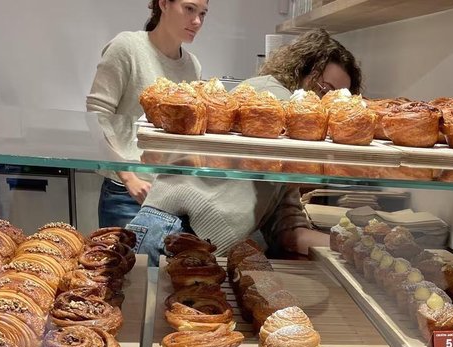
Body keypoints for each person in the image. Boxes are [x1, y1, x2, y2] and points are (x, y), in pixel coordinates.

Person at [127, 29, 363, 261]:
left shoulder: (284, 145)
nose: (328, 104)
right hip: (171, 229)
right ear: (303, 69)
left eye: (342, 98)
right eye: (326, 90)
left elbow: (288, 228)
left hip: (182, 233)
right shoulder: (268, 98)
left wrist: (356, 246)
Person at [86, 0, 208, 228]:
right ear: (163, 4)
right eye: (189, 9)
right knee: (127, 263)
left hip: (174, 195)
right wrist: (129, 178)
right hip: (128, 193)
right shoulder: (127, 48)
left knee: (170, 265)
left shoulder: (193, 65)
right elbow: (96, 119)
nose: (197, 21)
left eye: (203, 13)